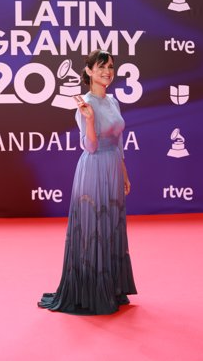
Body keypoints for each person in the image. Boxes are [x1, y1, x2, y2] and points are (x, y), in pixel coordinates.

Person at [38, 49, 137, 315]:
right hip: (93, 170)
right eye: (102, 67)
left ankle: (112, 288)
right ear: (90, 71)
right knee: (94, 229)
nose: (107, 72)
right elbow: (90, 146)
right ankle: (91, 291)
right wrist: (89, 120)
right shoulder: (85, 104)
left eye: (111, 67)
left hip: (113, 168)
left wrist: (124, 172)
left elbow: (118, 142)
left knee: (111, 227)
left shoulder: (114, 101)